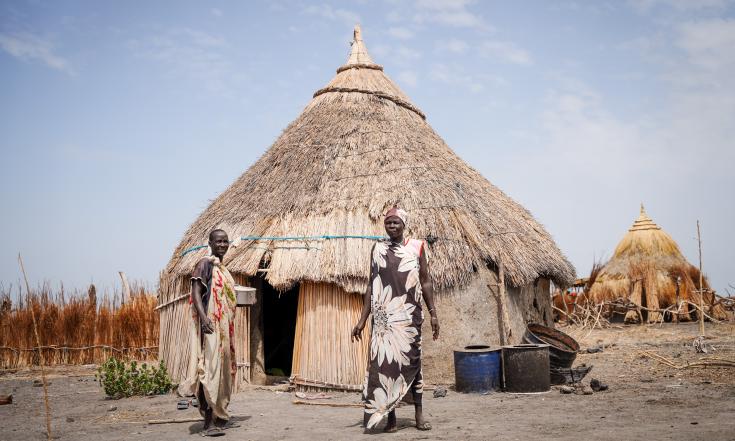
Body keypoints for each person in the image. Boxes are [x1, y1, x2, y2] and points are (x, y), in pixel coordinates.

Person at [352, 206, 440, 432]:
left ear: (404, 225)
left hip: (410, 316)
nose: (391, 226)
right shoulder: (378, 249)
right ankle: (390, 417)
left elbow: (425, 281)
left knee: (413, 364)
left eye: (396, 222)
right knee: (385, 366)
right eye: (388, 222)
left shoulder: (417, 247)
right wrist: (362, 320)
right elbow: (372, 285)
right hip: (384, 320)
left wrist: (433, 313)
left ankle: (419, 415)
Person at [178, 229, 239, 437]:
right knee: (208, 373)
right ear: (210, 243)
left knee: (221, 374)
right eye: (218, 241)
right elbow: (196, 292)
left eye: (225, 241)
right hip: (210, 327)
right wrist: (204, 319)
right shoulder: (204, 264)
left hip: (222, 330)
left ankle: (217, 415)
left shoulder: (222, 269)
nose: (222, 245)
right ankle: (207, 424)